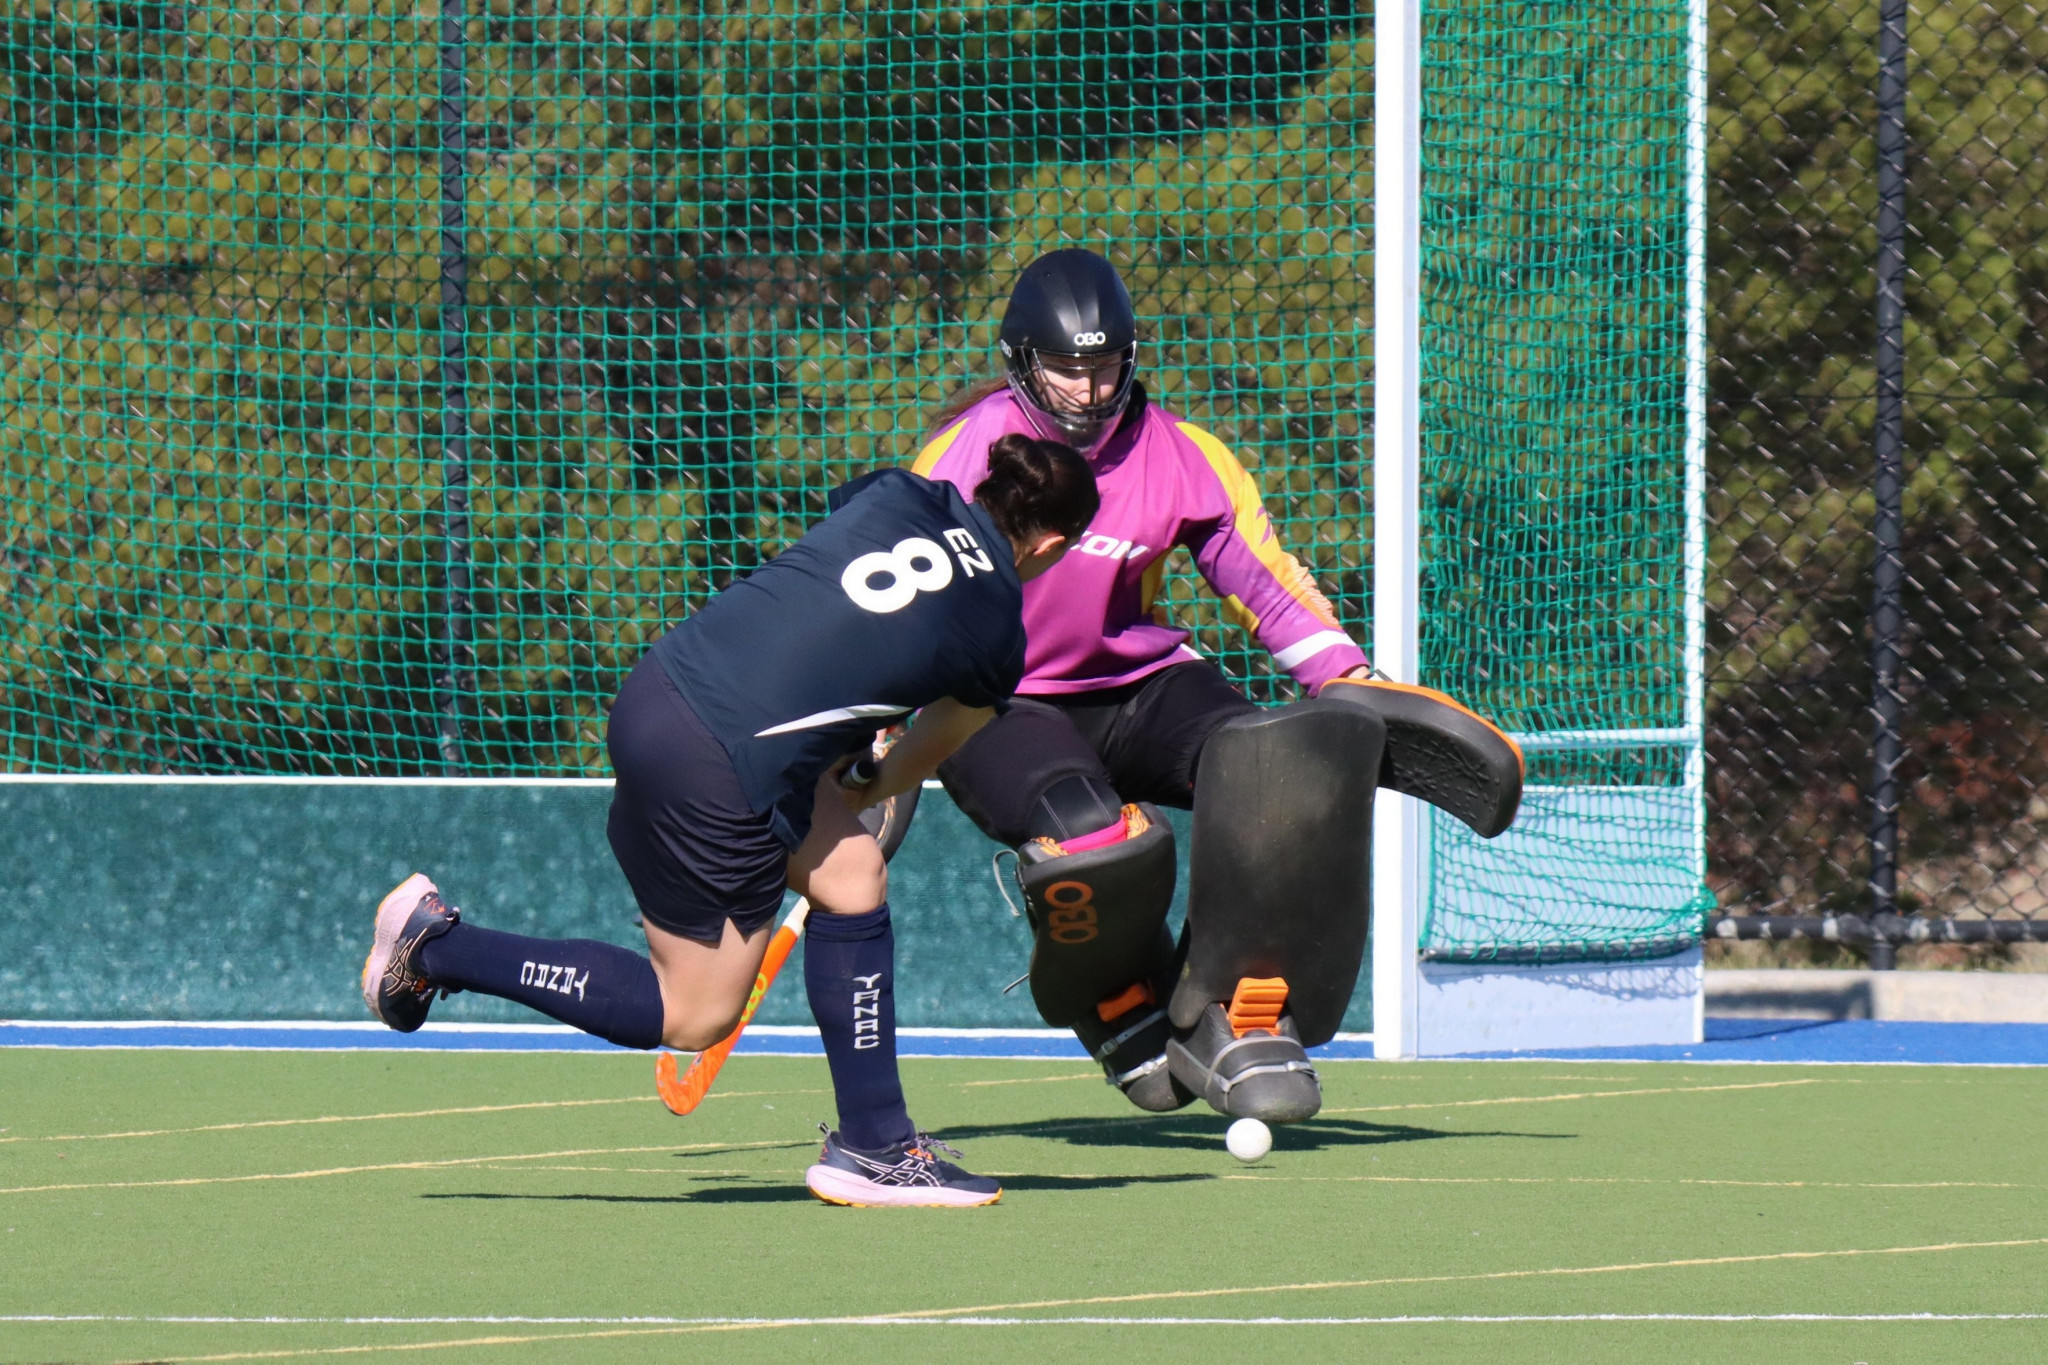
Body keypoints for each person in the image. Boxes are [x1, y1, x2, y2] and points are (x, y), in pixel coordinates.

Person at [361, 433, 1099, 1207]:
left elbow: (836, 596)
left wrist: (834, 739)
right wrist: (861, 772)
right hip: (723, 763)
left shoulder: (900, 492)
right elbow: (919, 756)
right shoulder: (996, 628)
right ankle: (439, 947)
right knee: (694, 1011)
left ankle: (875, 1143)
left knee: (850, 874)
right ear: (1049, 544)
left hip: (667, 685)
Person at [911, 247, 1380, 1117]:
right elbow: (897, 610)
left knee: (1277, 777)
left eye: (1106, 367)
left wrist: (1346, 677)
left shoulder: (1181, 455)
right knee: (1094, 834)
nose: (1089, 391)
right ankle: (1118, 994)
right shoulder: (954, 462)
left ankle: (1236, 1012)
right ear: (1021, 362)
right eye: (1066, 369)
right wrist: (874, 723)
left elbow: (1266, 583)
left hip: (1141, 687)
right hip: (999, 705)